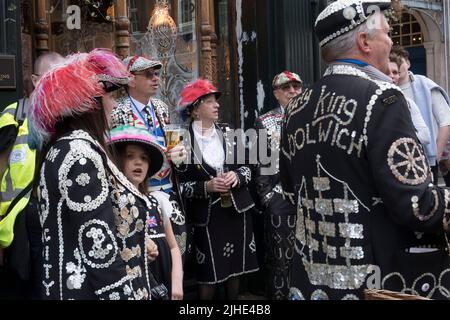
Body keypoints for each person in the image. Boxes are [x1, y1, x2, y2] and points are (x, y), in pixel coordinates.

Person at [280, 0, 450, 300]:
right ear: (364, 42)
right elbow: (415, 205)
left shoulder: (295, 108)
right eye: (387, 33)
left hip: (312, 283)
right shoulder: (383, 99)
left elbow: (292, 193)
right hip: (377, 281)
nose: (392, 41)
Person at [28, 49, 156, 299]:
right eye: (109, 96)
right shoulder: (80, 154)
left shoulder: (65, 147)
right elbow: (98, 248)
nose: (115, 104)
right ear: (91, 104)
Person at [174, 79, 258, 299]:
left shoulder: (230, 132)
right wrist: (206, 186)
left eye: (216, 101)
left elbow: (249, 168)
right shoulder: (181, 140)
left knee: (235, 271)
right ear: (194, 110)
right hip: (206, 218)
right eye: (209, 101)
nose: (217, 105)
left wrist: (237, 176)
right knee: (208, 275)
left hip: (236, 211)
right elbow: (178, 188)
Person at [0, 52, 65, 299]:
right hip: (16, 231)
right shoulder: (13, 117)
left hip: (52, 225)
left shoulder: (64, 121)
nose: (61, 84)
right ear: (37, 81)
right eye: (55, 77)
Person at [114, 56, 188, 261]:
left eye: (156, 74)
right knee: (151, 255)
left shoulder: (161, 107)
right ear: (131, 80)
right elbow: (115, 158)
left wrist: (179, 156)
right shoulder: (118, 111)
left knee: (178, 252)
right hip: (140, 193)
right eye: (148, 75)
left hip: (169, 191)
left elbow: (175, 151)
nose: (155, 79)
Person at [108, 110, 184, 300]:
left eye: (144, 158)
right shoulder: (113, 204)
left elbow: (174, 247)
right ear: (117, 161)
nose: (138, 162)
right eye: (130, 156)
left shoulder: (157, 201)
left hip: (165, 285)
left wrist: (177, 283)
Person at [254, 71, 301, 299]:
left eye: (296, 87)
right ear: (276, 93)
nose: (292, 91)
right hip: (279, 198)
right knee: (280, 259)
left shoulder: (310, 115)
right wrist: (268, 198)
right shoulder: (265, 121)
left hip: (307, 198)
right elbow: (261, 163)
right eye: (287, 88)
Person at [392, 45, 450, 183]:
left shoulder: (426, 85)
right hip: (399, 158)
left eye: (401, 61)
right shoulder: (388, 89)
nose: (398, 67)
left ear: (408, 63)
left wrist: (436, 155)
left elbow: (445, 121)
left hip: (427, 157)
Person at [387, 54, 431, 147]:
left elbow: (425, 136)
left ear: (399, 75)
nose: (391, 76)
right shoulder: (370, 100)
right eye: (387, 72)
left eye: (395, 72)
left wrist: (398, 140)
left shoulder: (408, 103)